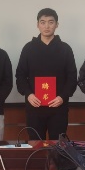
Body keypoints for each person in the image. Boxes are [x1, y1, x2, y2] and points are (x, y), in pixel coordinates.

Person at [16, 8, 77, 140]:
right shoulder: (28, 48)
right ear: (37, 24)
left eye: (51, 22)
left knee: (58, 146)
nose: (47, 26)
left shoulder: (65, 49)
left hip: (58, 107)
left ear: (57, 24)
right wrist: (28, 94)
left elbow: (72, 77)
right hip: (34, 107)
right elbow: (20, 75)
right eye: (43, 22)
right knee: (35, 145)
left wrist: (62, 97)